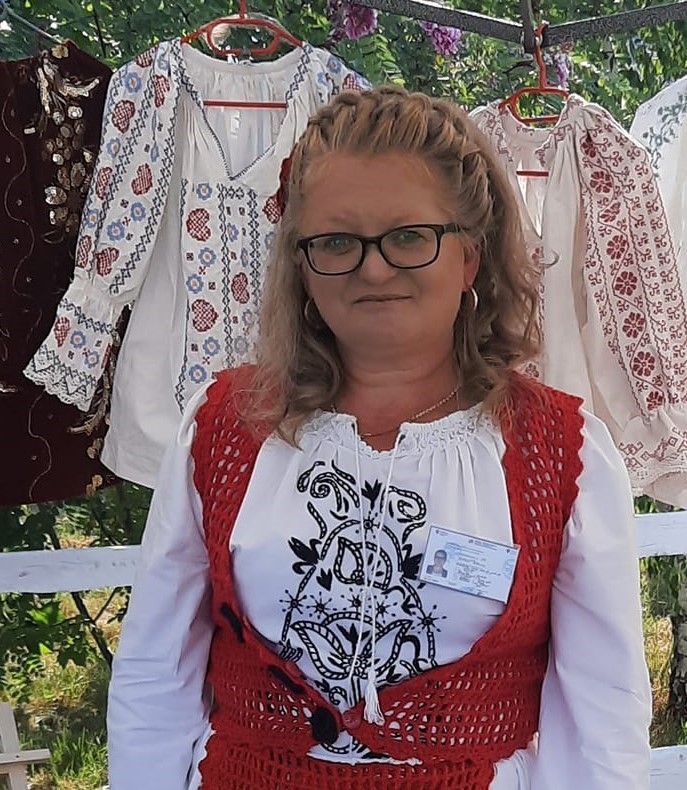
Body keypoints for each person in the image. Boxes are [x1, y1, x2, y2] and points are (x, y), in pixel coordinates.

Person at [107, 86, 651, 790]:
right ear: (302, 265)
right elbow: (156, 672)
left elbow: (602, 715)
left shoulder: (559, 455)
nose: (373, 266)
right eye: (336, 241)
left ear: (470, 257)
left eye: (408, 236)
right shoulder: (225, 428)